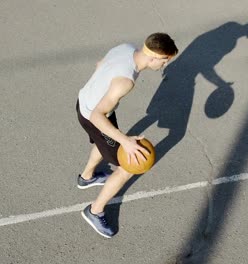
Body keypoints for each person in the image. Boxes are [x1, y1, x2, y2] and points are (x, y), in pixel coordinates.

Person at [75, 33, 178, 238]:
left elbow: (100, 65)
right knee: (129, 165)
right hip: (94, 115)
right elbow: (97, 116)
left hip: (84, 101)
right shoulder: (125, 81)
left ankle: (86, 177)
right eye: (165, 61)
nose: (165, 65)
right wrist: (126, 142)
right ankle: (95, 211)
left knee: (103, 140)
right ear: (153, 58)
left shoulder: (125, 47)